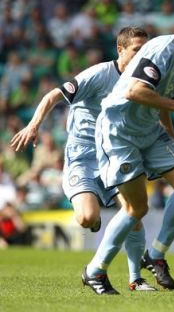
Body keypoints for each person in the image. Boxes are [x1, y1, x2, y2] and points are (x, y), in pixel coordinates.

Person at [82, 2, 174, 295]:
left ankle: (156, 255)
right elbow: (136, 91)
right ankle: (95, 271)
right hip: (118, 133)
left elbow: (163, 107)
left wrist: (173, 147)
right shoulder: (161, 50)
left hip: (148, 131)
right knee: (137, 208)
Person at [10, 27, 156, 292]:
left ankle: (136, 279)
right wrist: (33, 126)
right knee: (87, 218)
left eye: (146, 50)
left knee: (135, 212)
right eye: (137, 49)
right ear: (120, 49)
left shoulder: (142, 80)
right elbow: (53, 95)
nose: (142, 55)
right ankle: (95, 216)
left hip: (114, 153)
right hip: (82, 154)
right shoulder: (99, 74)